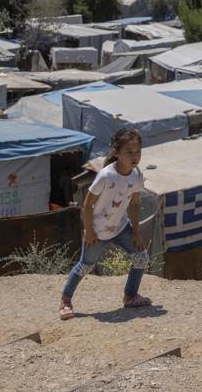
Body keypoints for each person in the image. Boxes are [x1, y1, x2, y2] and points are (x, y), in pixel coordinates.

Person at [59, 128, 152, 320]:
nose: (135, 157)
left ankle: (130, 295)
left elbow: (134, 203)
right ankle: (65, 301)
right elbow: (87, 204)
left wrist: (135, 232)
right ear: (116, 153)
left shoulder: (136, 175)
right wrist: (89, 231)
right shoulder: (106, 176)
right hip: (98, 231)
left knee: (141, 258)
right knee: (85, 266)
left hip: (120, 227)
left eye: (138, 152)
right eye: (129, 152)